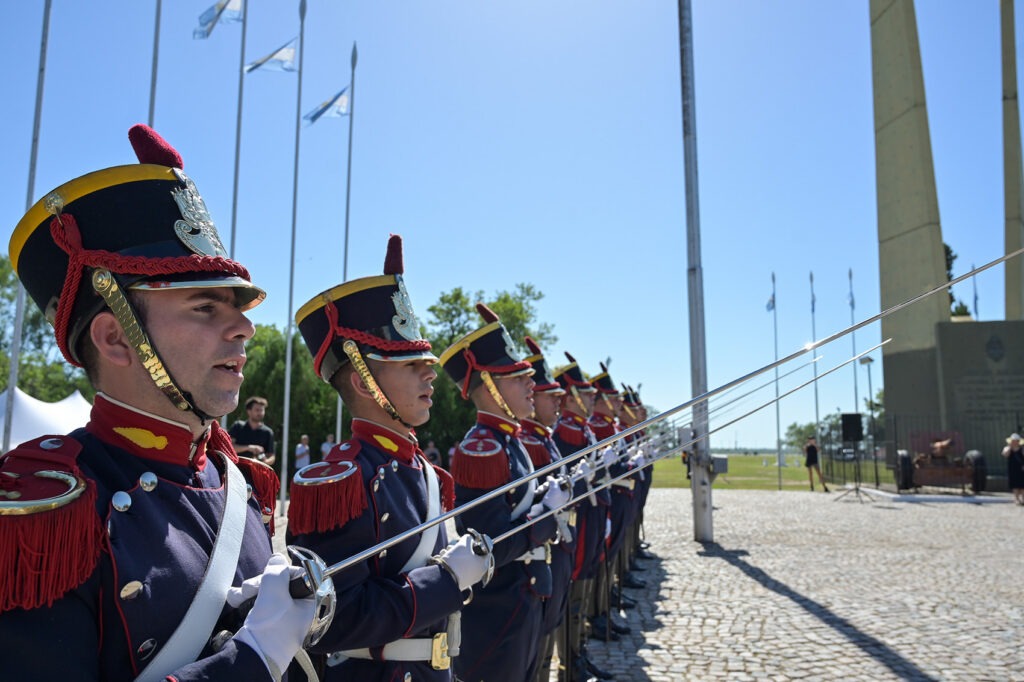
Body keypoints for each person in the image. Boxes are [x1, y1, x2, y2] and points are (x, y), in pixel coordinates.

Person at [0, 124, 319, 680]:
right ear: (116, 338)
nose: (244, 327)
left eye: (238, 308)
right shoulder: (46, 510)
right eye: (204, 307)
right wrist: (255, 657)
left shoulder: (237, 481)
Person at [286, 235, 493, 681]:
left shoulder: (426, 472)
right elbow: (331, 620)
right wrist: (447, 580)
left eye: (426, 361)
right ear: (363, 382)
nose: (430, 372)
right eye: (409, 364)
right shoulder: (340, 480)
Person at [440, 304, 568, 682]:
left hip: (523, 597)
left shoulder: (510, 441)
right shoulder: (483, 447)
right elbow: (489, 541)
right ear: (490, 386)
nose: (532, 385)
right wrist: (545, 514)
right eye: (517, 378)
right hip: (498, 608)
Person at [230, 396, 276, 466]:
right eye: (257, 410)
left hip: (257, 472)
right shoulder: (238, 426)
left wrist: (265, 461)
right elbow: (229, 447)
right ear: (249, 411)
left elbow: (272, 456)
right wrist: (249, 448)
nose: (260, 413)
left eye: (262, 410)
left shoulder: (268, 432)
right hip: (236, 468)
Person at [1001, 433, 1024, 505]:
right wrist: (1010, 447)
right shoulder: (1007, 448)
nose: (1014, 442)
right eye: (1013, 440)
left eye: (1016, 440)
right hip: (1012, 469)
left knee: (1023, 485)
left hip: (1021, 469)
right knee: (1015, 485)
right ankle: (1016, 499)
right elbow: (1005, 454)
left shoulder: (1022, 449)